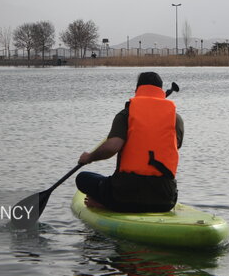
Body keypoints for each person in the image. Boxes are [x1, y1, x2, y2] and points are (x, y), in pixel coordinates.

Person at [75, 72, 183, 212]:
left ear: (137, 89)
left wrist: (89, 157)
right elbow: (174, 146)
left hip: (123, 197)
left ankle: (104, 203)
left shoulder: (126, 114)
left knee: (83, 178)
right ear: (161, 91)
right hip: (165, 200)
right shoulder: (176, 118)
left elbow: (113, 146)